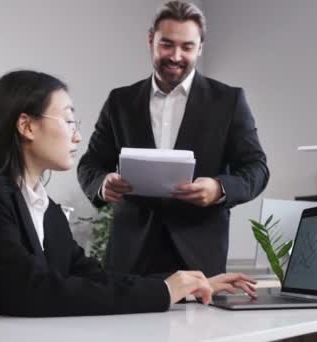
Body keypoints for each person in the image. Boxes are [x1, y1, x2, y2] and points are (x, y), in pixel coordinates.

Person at [0, 70, 255, 322]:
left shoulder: (43, 206)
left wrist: (185, 284)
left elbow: (90, 276)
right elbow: (31, 291)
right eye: (68, 121)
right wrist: (164, 290)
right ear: (27, 126)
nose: (77, 136)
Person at [77, 1, 269, 277]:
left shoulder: (228, 101)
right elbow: (89, 165)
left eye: (187, 47)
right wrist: (102, 184)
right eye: (167, 44)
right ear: (150, 40)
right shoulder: (120, 101)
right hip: (131, 254)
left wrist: (218, 189)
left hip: (200, 256)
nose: (176, 56)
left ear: (200, 47)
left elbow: (257, 169)